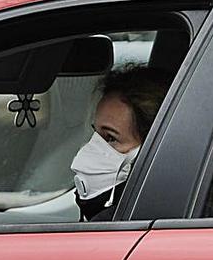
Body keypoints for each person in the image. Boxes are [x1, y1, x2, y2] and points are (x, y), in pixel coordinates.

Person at [71, 65, 171, 221]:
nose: (91, 149)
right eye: (95, 134)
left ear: (154, 150)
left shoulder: (126, 227)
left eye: (110, 138)